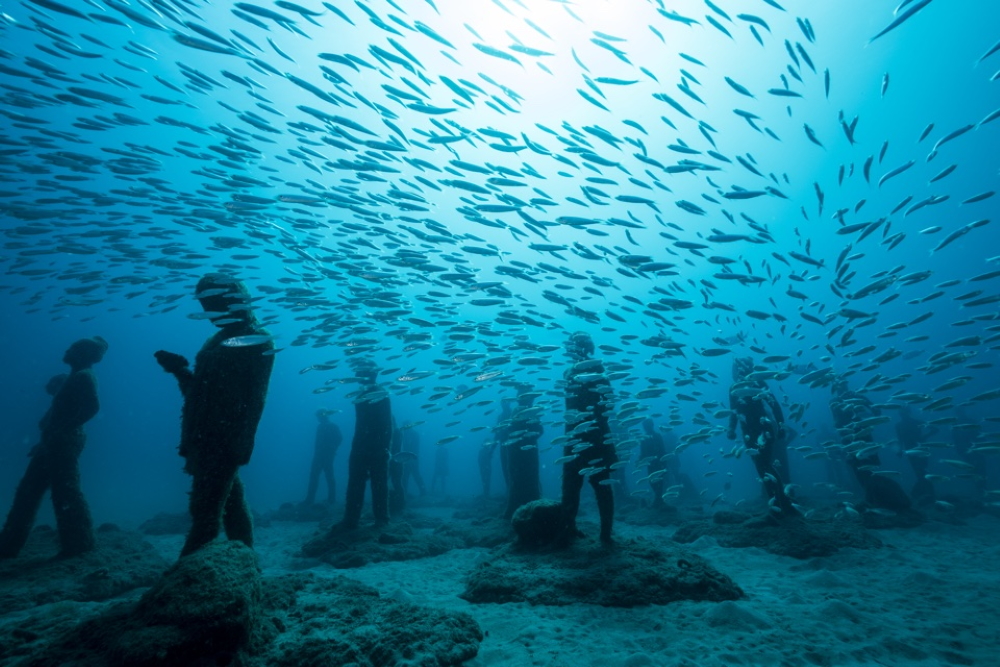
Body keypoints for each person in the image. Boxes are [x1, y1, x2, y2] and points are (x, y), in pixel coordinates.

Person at [155, 274, 274, 558]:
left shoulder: (256, 339)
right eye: (205, 305)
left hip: (224, 439)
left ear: (233, 300)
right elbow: (199, 393)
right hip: (204, 436)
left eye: (214, 303)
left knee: (205, 512)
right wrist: (179, 371)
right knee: (230, 504)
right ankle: (247, 566)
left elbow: (255, 399)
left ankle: (186, 583)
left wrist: (240, 445)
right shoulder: (217, 339)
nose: (209, 313)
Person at [0, 338, 107, 559]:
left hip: (63, 443)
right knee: (29, 492)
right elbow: (61, 414)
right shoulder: (73, 377)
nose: (67, 350)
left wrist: (62, 431)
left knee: (65, 494)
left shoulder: (83, 376)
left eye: (73, 348)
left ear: (84, 354)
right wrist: (45, 441)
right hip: (53, 443)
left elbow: (92, 408)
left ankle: (79, 545)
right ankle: (8, 546)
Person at [561, 331, 616, 543]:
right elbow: (608, 403)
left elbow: (608, 401)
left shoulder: (596, 369)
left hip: (591, 435)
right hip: (579, 435)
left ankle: (604, 534)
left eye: (578, 346)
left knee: (591, 485)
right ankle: (574, 529)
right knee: (575, 486)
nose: (574, 350)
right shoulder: (569, 372)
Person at [727, 357, 797, 516]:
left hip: (763, 429)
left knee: (765, 465)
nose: (736, 372)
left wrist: (780, 425)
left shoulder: (759, 383)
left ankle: (781, 503)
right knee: (761, 467)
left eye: (738, 369)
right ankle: (778, 503)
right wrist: (731, 428)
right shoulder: (733, 388)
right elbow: (734, 411)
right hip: (748, 433)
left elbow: (774, 404)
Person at [829, 377, 911, 512]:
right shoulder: (847, 399)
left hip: (856, 434)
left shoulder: (839, 400)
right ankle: (872, 495)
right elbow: (876, 412)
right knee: (861, 465)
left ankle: (874, 496)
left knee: (862, 465)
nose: (841, 388)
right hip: (856, 434)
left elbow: (838, 422)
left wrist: (862, 412)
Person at [341, 360, 392, 529]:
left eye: (360, 373)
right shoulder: (360, 395)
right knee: (356, 483)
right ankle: (351, 519)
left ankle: (381, 520)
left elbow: (386, 424)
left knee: (378, 484)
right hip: (360, 446)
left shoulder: (380, 393)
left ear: (369, 375)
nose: (356, 376)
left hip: (375, 447)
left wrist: (385, 448)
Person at [503, 385, 543, 520]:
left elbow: (538, 430)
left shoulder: (530, 411)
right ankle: (521, 510)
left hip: (525, 452)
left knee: (525, 479)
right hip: (520, 453)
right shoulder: (518, 411)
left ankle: (528, 509)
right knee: (523, 479)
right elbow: (512, 430)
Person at [896, 407, 934, 505]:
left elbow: (935, 429)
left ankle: (922, 493)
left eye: (903, 412)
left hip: (922, 449)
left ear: (908, 412)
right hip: (910, 451)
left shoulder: (916, 422)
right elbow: (900, 439)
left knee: (923, 471)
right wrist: (900, 450)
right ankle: (926, 493)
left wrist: (925, 436)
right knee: (919, 472)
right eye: (901, 413)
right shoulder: (899, 425)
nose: (902, 414)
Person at [479, 398, 514, 497]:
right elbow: (497, 434)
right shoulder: (500, 417)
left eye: (506, 403)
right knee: (505, 470)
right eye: (503, 403)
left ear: (510, 403)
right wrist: (492, 450)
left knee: (512, 470)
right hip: (503, 447)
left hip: (513, 447)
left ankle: (512, 493)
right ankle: (509, 492)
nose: (505, 405)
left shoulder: (514, 414)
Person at [305, 409, 341, 506]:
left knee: (325, 477)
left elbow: (339, 439)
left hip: (325, 456)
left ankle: (329, 499)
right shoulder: (321, 426)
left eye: (319, 416)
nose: (318, 418)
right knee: (319, 477)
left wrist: (331, 450)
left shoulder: (331, 426)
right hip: (320, 455)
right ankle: (311, 499)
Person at [638, 419, 667, 508]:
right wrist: (641, 459)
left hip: (658, 462)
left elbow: (662, 449)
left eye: (647, 426)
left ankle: (658, 499)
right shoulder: (644, 437)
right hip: (650, 463)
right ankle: (657, 498)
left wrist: (664, 461)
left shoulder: (658, 436)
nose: (646, 428)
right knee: (651, 480)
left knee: (659, 480)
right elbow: (642, 451)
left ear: (651, 426)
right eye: (645, 426)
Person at [399, 425, 425, 497]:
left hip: (411, 458)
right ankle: (422, 492)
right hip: (409, 458)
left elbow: (413, 448)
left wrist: (410, 459)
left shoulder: (411, 435)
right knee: (410, 475)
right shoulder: (409, 434)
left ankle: (405, 493)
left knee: (411, 475)